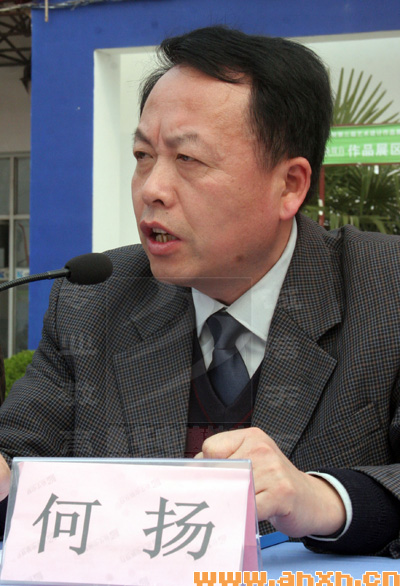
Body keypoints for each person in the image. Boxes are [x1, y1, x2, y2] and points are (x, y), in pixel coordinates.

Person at [0, 25, 399, 557]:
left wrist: (325, 497)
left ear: (290, 185)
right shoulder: (93, 300)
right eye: (143, 155)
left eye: (188, 160)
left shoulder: (386, 288)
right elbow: (20, 464)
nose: (152, 189)